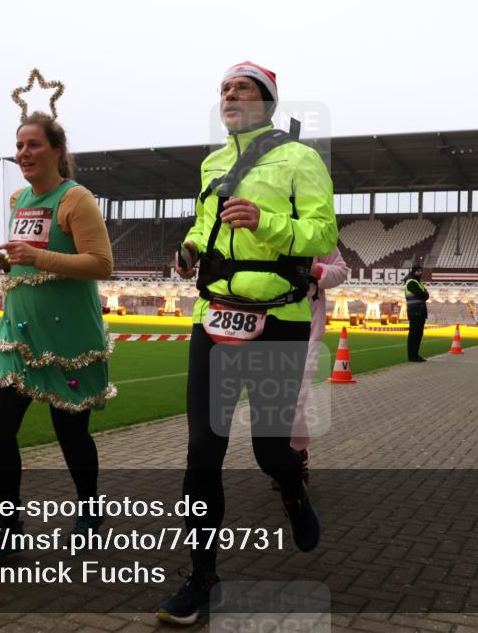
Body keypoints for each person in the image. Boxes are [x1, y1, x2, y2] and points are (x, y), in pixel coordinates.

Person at [159, 61, 338, 625]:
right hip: (212, 317)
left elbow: (323, 234)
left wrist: (266, 223)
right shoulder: (212, 162)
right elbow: (202, 227)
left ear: (267, 101)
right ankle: (202, 576)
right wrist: (188, 250)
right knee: (202, 453)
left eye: (240, 87)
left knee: (269, 449)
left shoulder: (301, 158)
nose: (228, 95)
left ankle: (292, 487)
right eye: (223, 89)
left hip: (278, 318)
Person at [0, 111, 114, 565]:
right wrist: (5, 260)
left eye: (33, 145)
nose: (23, 154)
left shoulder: (77, 199)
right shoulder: (18, 199)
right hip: (16, 333)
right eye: (18, 146)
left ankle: (90, 508)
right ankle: (8, 525)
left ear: (56, 150)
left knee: (70, 432)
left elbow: (100, 264)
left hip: (67, 336)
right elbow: (25, 259)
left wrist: (36, 256)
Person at [270, 247, 350, 490]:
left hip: (306, 331)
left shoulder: (315, 234)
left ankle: (296, 454)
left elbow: (340, 270)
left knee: (294, 399)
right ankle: (279, 455)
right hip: (264, 328)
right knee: (269, 399)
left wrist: (314, 270)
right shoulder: (258, 228)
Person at [403, 264, 429, 362]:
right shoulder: (411, 282)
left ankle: (415, 355)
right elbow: (422, 295)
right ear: (414, 271)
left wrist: (425, 295)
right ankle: (412, 356)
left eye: (421, 271)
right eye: (418, 271)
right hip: (415, 311)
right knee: (414, 334)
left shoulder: (418, 282)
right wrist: (424, 295)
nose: (420, 273)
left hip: (420, 311)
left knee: (418, 334)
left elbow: (426, 295)